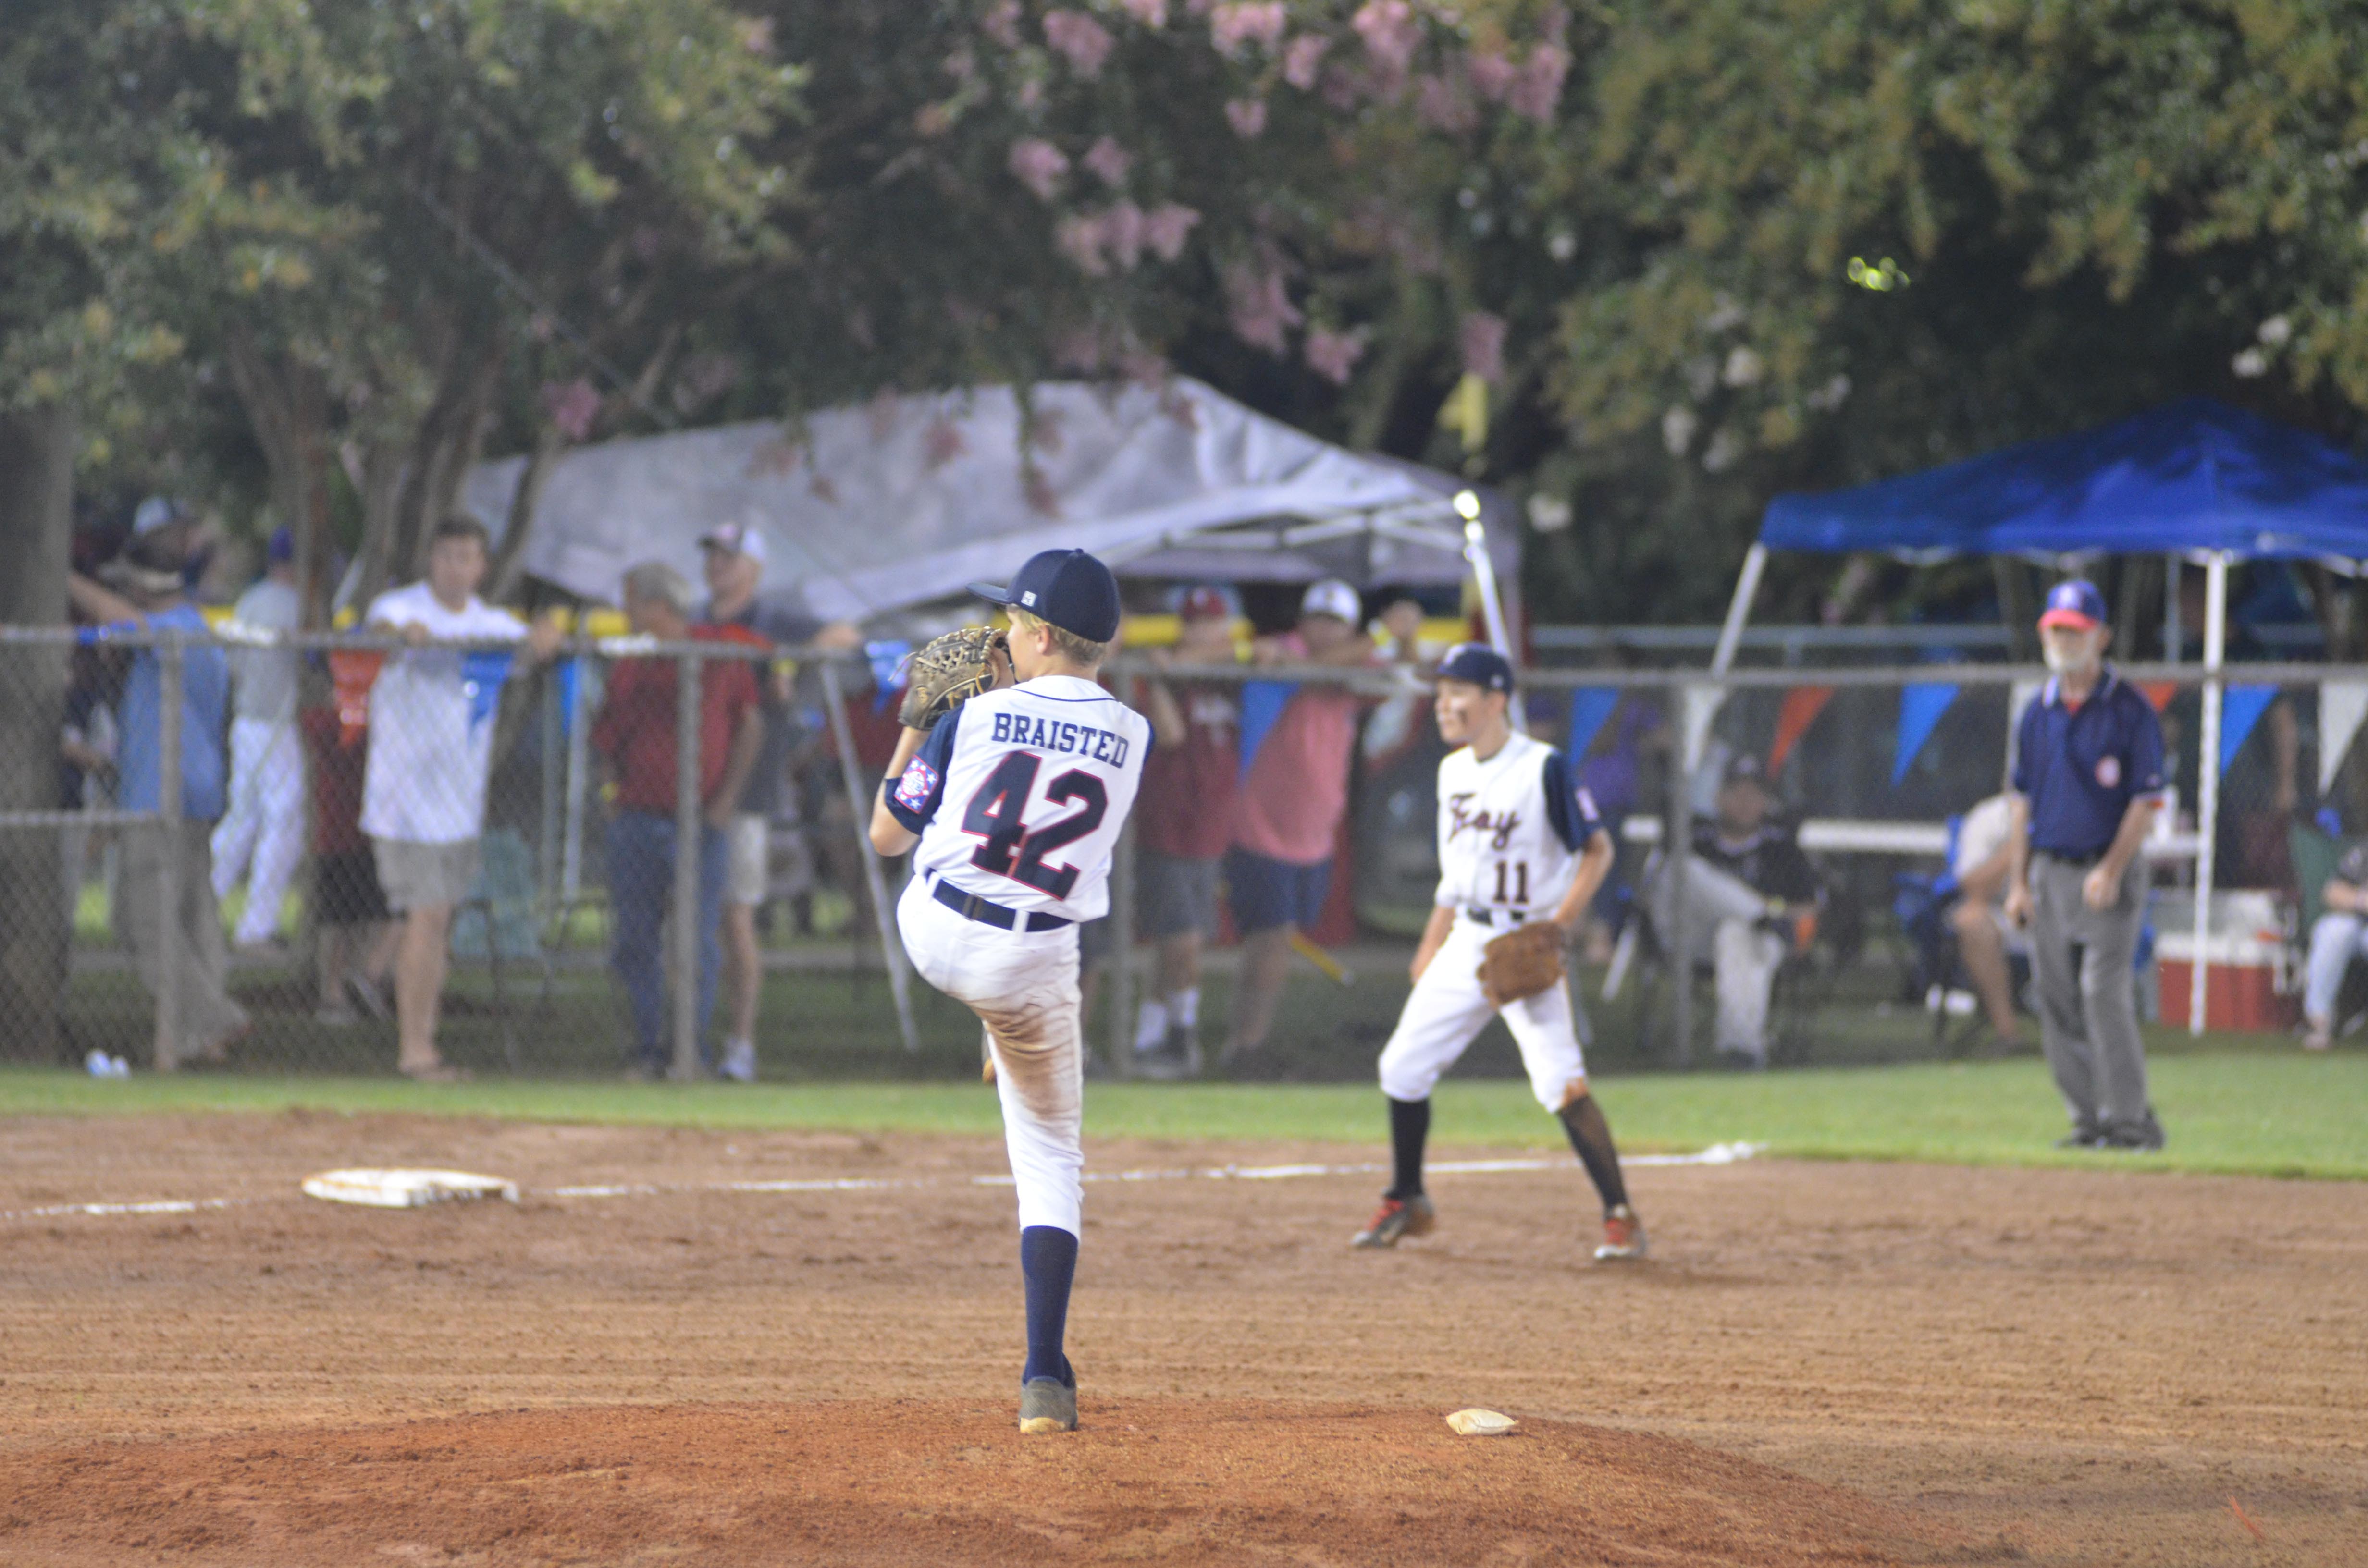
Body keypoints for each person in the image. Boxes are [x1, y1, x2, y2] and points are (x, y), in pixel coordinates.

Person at [869, 548, 1149, 1437]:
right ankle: (1042, 1376)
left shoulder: (977, 717)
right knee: (1049, 1159)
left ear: (1034, 633)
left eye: (1011, 627)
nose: (999, 641)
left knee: (956, 906)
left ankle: (992, 1028)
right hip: (1031, 961)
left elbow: (882, 837)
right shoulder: (1133, 732)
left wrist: (921, 719)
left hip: (933, 929)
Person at [1353, 645, 1646, 1262]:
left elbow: (1596, 851)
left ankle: (1620, 1217)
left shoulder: (1544, 767)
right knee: (1402, 1068)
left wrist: (1559, 925)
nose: (1443, 705)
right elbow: (1454, 877)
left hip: (1527, 943)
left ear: (1495, 700)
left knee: (1560, 1084)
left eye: (1457, 693)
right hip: (1468, 937)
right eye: (1439, 694)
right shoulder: (1450, 772)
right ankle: (1407, 1198)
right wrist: (1431, 941)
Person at [360, 516, 564, 1081]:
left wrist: (546, 636)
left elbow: (531, 647)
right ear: (431, 558)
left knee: (437, 921)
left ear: (483, 566)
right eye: (446, 554)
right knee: (426, 917)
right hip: (407, 801)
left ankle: (410, 1024)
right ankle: (414, 1049)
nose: (456, 567)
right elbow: (381, 627)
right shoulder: (402, 607)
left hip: (459, 805)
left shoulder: (491, 624)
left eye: (467, 556)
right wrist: (404, 638)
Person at [67, 541, 249, 1065]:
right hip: (193, 794)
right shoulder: (198, 632)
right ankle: (198, 1038)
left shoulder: (176, 630)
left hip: (161, 796)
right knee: (191, 918)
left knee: (138, 917)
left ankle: (213, 1018)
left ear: (146, 588)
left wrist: (65, 577)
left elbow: (115, 616)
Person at [695, 520, 863, 1083]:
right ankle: (685, 1039)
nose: (717, 566)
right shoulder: (695, 622)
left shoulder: (771, 621)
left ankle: (739, 1043)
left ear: (753, 569)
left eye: (729, 557)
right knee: (687, 920)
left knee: (734, 915)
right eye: (713, 556)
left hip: (747, 792)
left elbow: (845, 635)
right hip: (688, 791)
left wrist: (789, 657)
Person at [2003, 578, 2168, 1151]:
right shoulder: (2036, 711)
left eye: (2075, 631)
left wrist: (2113, 868)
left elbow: (2145, 801)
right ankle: (2086, 1119)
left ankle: (2128, 1121)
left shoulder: (2127, 709)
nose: (2064, 640)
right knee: (2053, 995)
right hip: (2048, 869)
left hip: (2106, 869)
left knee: (2101, 991)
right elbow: (2019, 800)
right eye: (2055, 630)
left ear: (2101, 636)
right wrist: (2018, 881)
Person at [592, 562, 764, 1080]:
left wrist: (725, 800)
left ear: (657, 608)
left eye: (632, 604)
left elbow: (749, 724)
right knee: (636, 938)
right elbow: (606, 736)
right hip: (638, 820)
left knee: (696, 941)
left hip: (699, 822)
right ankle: (648, 1050)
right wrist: (611, 792)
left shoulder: (714, 650)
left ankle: (690, 1051)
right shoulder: (630, 663)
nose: (625, 615)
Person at [1221, 578, 1381, 1064]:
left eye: (1338, 624)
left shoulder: (1358, 667)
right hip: (1258, 825)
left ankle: (1250, 1041)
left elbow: (1393, 683)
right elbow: (1291, 664)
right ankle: (1243, 1046)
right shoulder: (1282, 651)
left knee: (1277, 944)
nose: (1325, 631)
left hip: (1315, 834)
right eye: (1318, 619)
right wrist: (1380, 636)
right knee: (1268, 940)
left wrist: (1395, 641)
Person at [1125, 586, 1240, 1076]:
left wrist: (1183, 659)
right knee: (1182, 940)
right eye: (1192, 624)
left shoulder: (1223, 672)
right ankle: (1181, 1037)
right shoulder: (1161, 673)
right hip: (1168, 824)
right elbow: (1169, 734)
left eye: (1209, 624)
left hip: (1209, 827)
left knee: (1178, 941)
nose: (1201, 633)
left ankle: (1147, 1036)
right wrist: (1164, 673)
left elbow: (1237, 653)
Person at [1652, 752, 1821, 1068]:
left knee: (1735, 933)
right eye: (1737, 794)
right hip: (1694, 939)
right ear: (1718, 798)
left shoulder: (1780, 848)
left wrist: (1775, 920)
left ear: (1766, 803)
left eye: (1755, 795)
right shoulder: (1696, 840)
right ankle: (1759, 913)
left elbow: (1809, 907)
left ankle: (1741, 1049)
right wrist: (1767, 912)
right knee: (1682, 867)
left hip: (1761, 944)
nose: (1745, 802)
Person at [210, 527, 305, 951]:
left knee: (243, 816)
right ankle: (256, 926)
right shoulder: (296, 605)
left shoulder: (250, 599)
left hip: (246, 718)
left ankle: (205, 904)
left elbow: (231, 666)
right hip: (278, 723)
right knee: (282, 818)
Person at [300, 699, 398, 1026]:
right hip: (335, 837)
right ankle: (333, 996)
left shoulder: (381, 720)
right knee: (336, 923)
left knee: (368, 917)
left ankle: (361, 985)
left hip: (370, 835)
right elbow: (318, 729)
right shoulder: (327, 721)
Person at [1948, 792, 2028, 1051]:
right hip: (2005, 914)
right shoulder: (1989, 817)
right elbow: (1972, 888)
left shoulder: (2077, 808)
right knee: (1970, 920)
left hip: (2061, 912)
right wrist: (2018, 846)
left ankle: (2085, 1037)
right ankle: (2008, 1034)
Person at [2300, 840, 2368, 1051]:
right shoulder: (2363, 852)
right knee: (2334, 930)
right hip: (2360, 926)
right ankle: (2320, 1023)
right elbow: (2332, 892)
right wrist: (2360, 899)